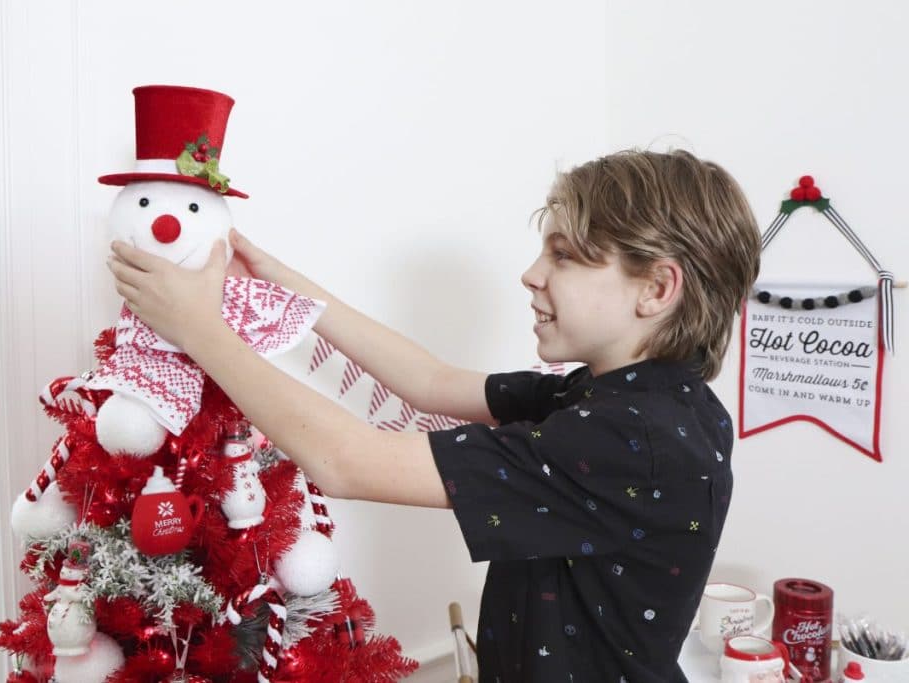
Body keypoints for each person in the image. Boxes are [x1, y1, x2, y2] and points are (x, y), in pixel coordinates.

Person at [108, 149, 761, 682]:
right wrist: (281, 281)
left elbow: (345, 462)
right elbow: (432, 382)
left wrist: (197, 328)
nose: (532, 274)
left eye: (563, 254)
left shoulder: (627, 438)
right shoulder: (631, 401)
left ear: (657, 287)